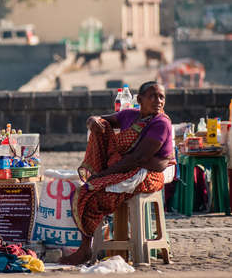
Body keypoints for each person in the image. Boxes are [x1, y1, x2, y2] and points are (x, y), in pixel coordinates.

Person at [61, 81, 176, 265]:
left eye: (162, 97)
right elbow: (101, 119)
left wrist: (104, 174)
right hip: (126, 169)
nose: (158, 101)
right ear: (140, 100)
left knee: (92, 195)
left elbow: (138, 158)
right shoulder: (130, 115)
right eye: (153, 96)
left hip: (147, 174)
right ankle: (86, 247)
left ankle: (85, 250)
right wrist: (93, 121)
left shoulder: (160, 123)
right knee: (83, 190)